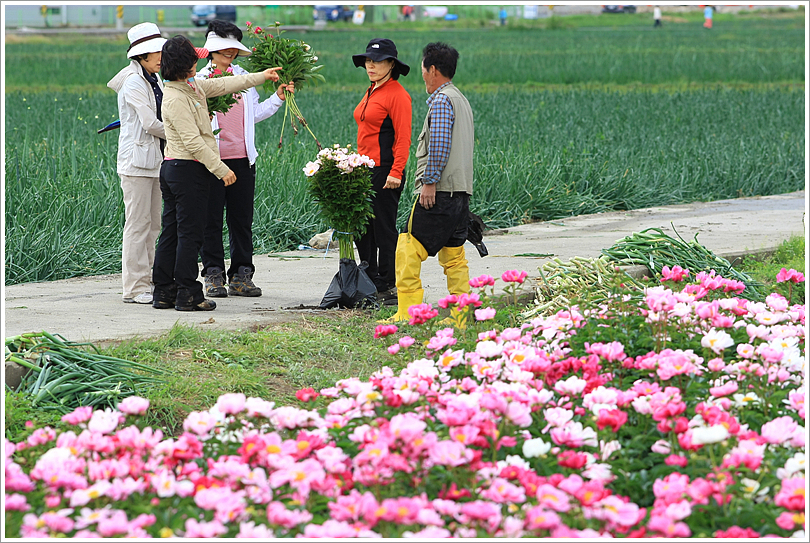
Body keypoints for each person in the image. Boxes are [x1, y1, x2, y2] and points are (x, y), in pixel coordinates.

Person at [152, 35, 282, 311]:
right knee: (189, 235)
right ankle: (188, 293)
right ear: (184, 65)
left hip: (178, 169)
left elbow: (225, 83)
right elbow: (194, 142)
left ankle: (163, 291)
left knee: (173, 232)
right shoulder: (176, 98)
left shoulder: (191, 86)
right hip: (186, 170)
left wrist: (262, 76)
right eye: (193, 58)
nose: (199, 61)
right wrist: (221, 169)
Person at [197, 20, 295, 299]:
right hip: (212, 161)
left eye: (233, 48)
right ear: (211, 49)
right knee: (211, 221)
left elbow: (254, 114)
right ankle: (213, 275)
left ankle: (242, 275)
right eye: (223, 48)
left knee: (241, 221)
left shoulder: (246, 78)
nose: (229, 53)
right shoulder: (201, 80)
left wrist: (277, 99)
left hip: (242, 159)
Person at [385, 42, 474, 323]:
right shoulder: (461, 99)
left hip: (440, 192)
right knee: (454, 254)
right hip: (461, 195)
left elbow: (438, 146)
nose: (422, 75)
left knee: (407, 247)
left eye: (424, 69)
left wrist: (428, 182)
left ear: (432, 69)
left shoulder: (441, 101)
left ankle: (407, 313)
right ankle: (461, 317)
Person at [107, 22, 167, 305]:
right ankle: (134, 287)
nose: (160, 57)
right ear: (140, 56)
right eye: (154, 52)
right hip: (136, 165)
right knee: (137, 225)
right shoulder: (133, 82)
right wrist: (185, 133)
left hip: (155, 161)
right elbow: (150, 123)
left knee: (153, 225)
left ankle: (149, 282)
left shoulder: (155, 79)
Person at [351, 38, 412, 304]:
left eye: (377, 61)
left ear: (391, 64)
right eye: (368, 61)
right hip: (365, 170)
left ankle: (388, 284)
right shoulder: (372, 90)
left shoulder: (398, 94)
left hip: (386, 170)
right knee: (362, 228)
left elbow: (403, 138)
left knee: (384, 228)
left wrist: (396, 172)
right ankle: (369, 276)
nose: (371, 66)